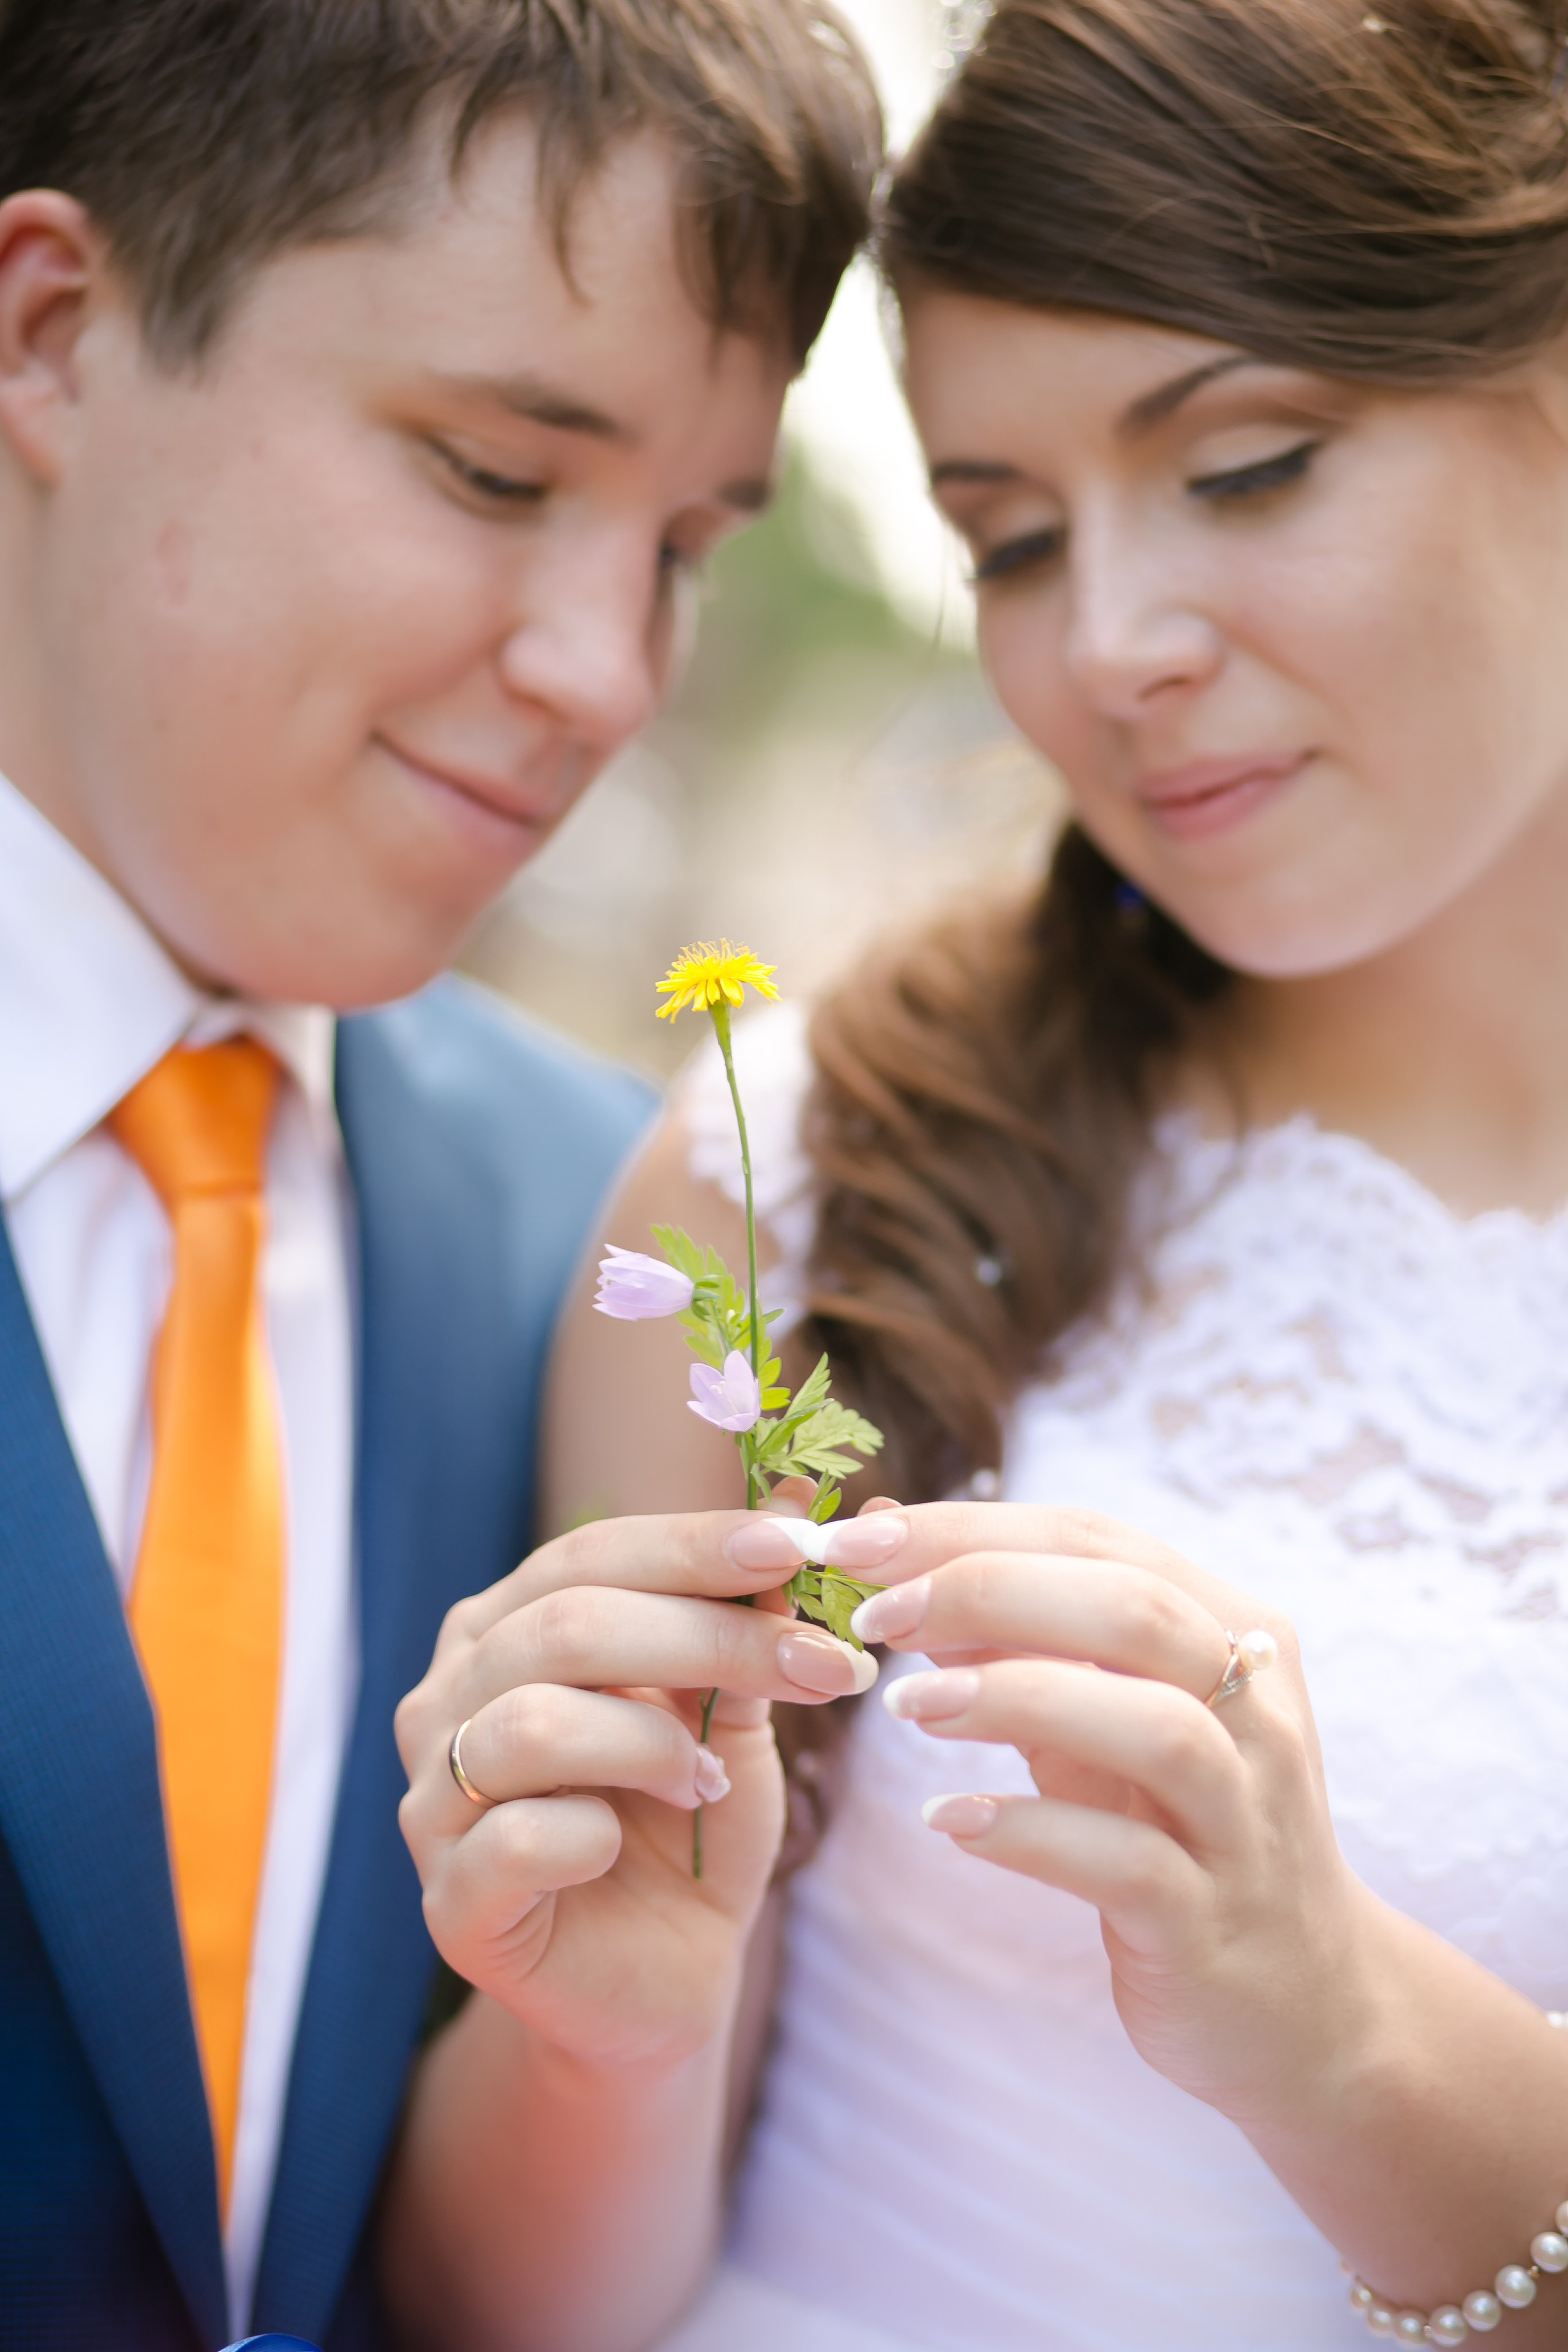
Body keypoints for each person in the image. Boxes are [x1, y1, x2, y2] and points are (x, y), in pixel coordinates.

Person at [545, 0, 1568, 2344]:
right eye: (1007, 540)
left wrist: (1337, 2029)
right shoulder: (793, 1177)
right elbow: (552, 2278)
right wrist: (586, 2011)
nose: (1110, 649)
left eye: (1246, 467)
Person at [0, 2, 882, 2346]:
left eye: (685, 546)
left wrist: (603, 2041)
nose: (609, 674)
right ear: (57, 333)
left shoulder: (609, 1248)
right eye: (497, 474)